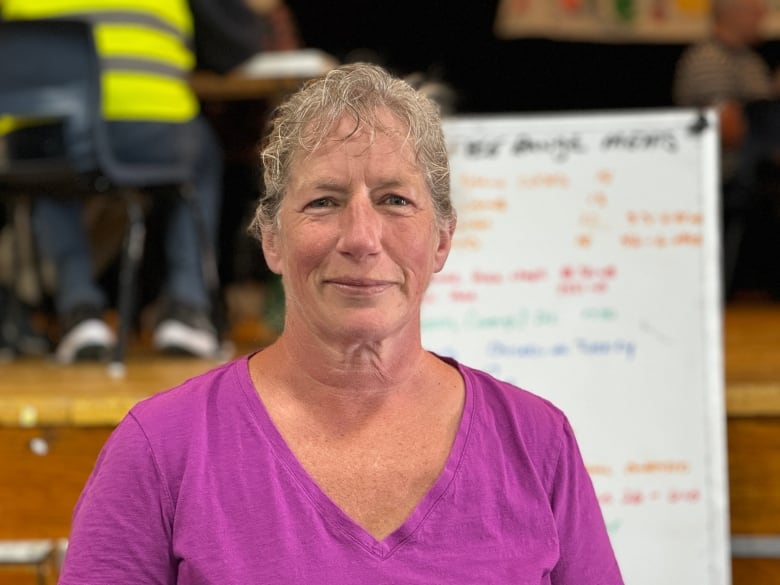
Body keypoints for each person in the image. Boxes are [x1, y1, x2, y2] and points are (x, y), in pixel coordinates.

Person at [57, 63, 624, 584]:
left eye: (395, 200)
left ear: (442, 240)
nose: (360, 237)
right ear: (271, 238)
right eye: (324, 201)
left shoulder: (536, 442)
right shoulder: (163, 448)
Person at [0, 0, 288, 362]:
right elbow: (235, 49)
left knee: (50, 164)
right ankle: (187, 308)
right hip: (149, 125)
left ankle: (78, 313)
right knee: (202, 155)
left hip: (40, 136)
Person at [672, 0, 780, 298]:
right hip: (722, 172)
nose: (762, 17)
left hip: (759, 168)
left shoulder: (750, 62)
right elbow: (729, 134)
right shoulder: (708, 59)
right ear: (730, 15)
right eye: (754, 10)